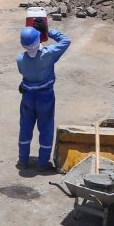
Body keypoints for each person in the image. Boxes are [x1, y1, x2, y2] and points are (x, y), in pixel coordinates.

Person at [16, 26, 72, 171]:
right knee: (46, 128)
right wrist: (48, 30)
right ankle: (42, 163)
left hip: (28, 96)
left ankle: (23, 160)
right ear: (38, 40)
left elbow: (24, 73)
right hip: (45, 97)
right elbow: (66, 40)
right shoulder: (48, 54)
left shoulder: (20, 59)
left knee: (25, 127)